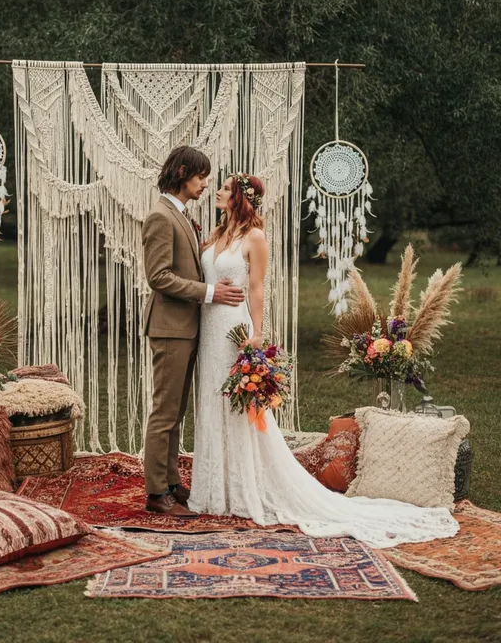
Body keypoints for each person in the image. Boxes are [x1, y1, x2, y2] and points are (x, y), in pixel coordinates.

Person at [187, 172, 459, 548]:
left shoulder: (255, 237)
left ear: (240, 197)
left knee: (238, 407)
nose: (217, 191)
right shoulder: (216, 234)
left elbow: (257, 288)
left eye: (225, 188)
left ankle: (241, 488)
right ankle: (212, 488)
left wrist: (257, 334)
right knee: (212, 400)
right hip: (210, 330)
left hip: (236, 329)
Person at [141, 146, 245, 517]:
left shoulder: (181, 214)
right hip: (170, 329)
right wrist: (211, 292)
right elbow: (159, 277)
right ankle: (157, 493)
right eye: (201, 177)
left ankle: (170, 482)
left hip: (185, 329)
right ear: (183, 173)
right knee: (164, 413)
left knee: (176, 412)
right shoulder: (160, 216)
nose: (205, 184)